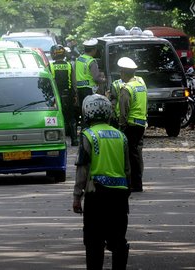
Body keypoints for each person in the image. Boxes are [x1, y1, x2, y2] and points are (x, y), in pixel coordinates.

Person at [72, 94, 131, 270]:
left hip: (96, 195)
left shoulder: (88, 135)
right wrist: (125, 193)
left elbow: (82, 169)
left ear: (87, 113)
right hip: (119, 195)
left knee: (93, 240)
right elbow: (128, 169)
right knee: (118, 239)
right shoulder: (121, 136)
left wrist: (77, 196)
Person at [116, 57, 147, 192]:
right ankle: (136, 182)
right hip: (141, 123)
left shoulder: (126, 88)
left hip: (130, 124)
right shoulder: (141, 84)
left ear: (124, 73)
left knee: (130, 155)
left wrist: (121, 126)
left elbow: (123, 110)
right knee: (136, 154)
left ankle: (134, 183)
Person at [49, 45, 78, 146]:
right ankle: (74, 140)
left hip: (56, 96)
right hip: (69, 95)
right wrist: (75, 95)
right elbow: (74, 82)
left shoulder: (50, 66)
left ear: (53, 54)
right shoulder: (69, 65)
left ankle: (61, 141)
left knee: (58, 118)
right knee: (71, 117)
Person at [75, 38, 106, 128]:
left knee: (83, 112)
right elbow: (96, 78)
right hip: (89, 90)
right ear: (93, 50)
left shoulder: (79, 59)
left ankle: (83, 131)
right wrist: (104, 80)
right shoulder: (91, 61)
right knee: (91, 113)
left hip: (80, 89)